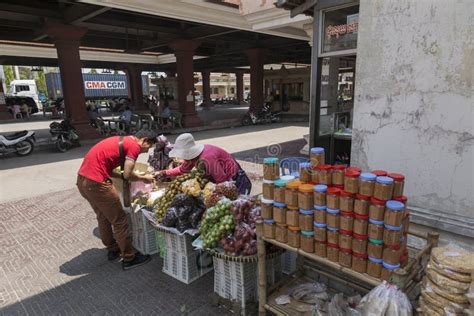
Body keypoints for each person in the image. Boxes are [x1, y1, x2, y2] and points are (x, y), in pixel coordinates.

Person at [76, 130, 157, 270]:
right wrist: (144, 178)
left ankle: (113, 248)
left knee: (103, 216)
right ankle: (129, 258)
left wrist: (127, 177)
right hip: (97, 183)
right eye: (148, 147)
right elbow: (127, 174)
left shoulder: (121, 141)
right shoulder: (134, 146)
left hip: (83, 181)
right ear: (144, 140)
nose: (145, 151)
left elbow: (111, 171)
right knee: (120, 220)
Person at [156, 133, 252, 194]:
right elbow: (183, 169)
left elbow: (222, 181)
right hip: (222, 181)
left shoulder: (207, 158)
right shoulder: (191, 158)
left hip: (235, 180)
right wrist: (165, 172)